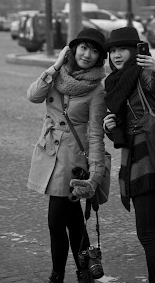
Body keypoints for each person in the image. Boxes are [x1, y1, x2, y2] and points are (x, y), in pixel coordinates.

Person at [27, 28, 107, 283]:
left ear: (99, 58)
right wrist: (54, 66)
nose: (87, 54)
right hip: (49, 153)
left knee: (55, 221)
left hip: (72, 163)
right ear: (72, 50)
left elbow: (95, 134)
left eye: (94, 51)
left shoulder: (96, 91)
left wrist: (95, 174)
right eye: (83, 47)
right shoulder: (57, 76)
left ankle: (57, 275)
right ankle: (84, 272)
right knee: (73, 221)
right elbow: (33, 96)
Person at [103, 27, 155, 283]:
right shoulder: (115, 82)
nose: (116, 55)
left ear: (134, 50)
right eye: (112, 50)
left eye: (121, 49)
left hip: (149, 162)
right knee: (152, 233)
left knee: (148, 235)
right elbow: (122, 131)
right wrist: (110, 128)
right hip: (135, 161)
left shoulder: (144, 73)